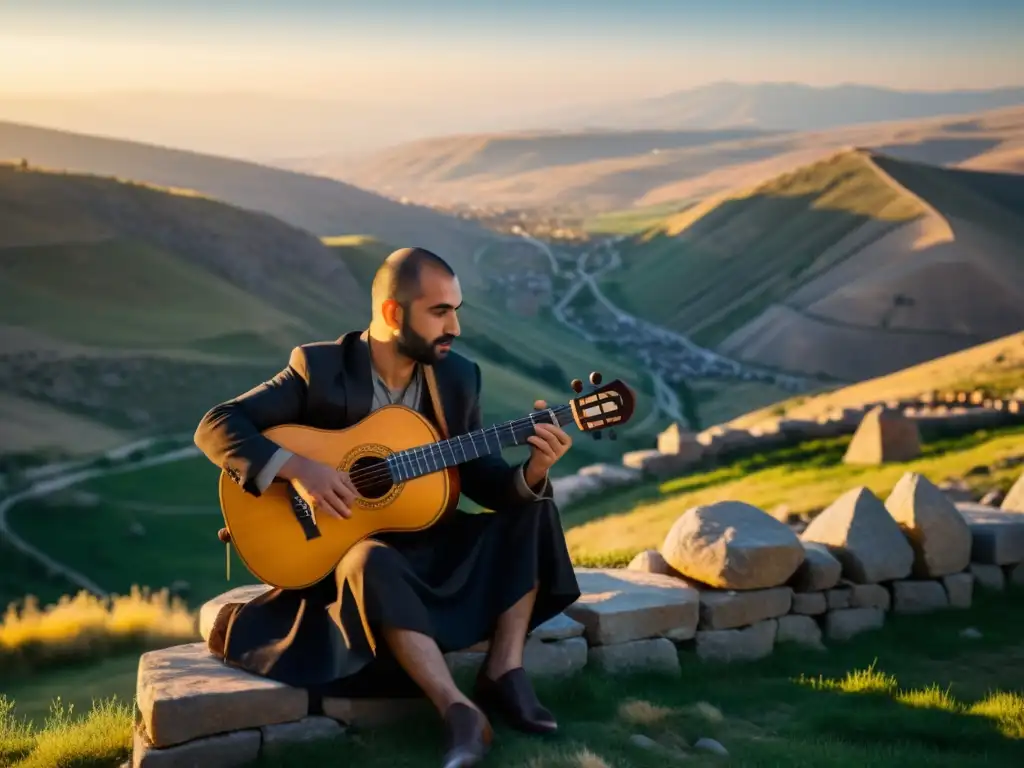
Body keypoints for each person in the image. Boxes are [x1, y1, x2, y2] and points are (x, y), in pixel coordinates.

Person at [194, 246, 582, 768]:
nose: (456, 327)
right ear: (394, 313)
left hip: (427, 546)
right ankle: (459, 712)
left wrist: (533, 471)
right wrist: (302, 470)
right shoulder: (320, 368)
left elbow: (481, 476)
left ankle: (504, 671)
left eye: (457, 310)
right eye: (440, 312)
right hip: (345, 561)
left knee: (536, 508)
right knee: (370, 559)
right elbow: (217, 425)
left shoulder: (457, 377)